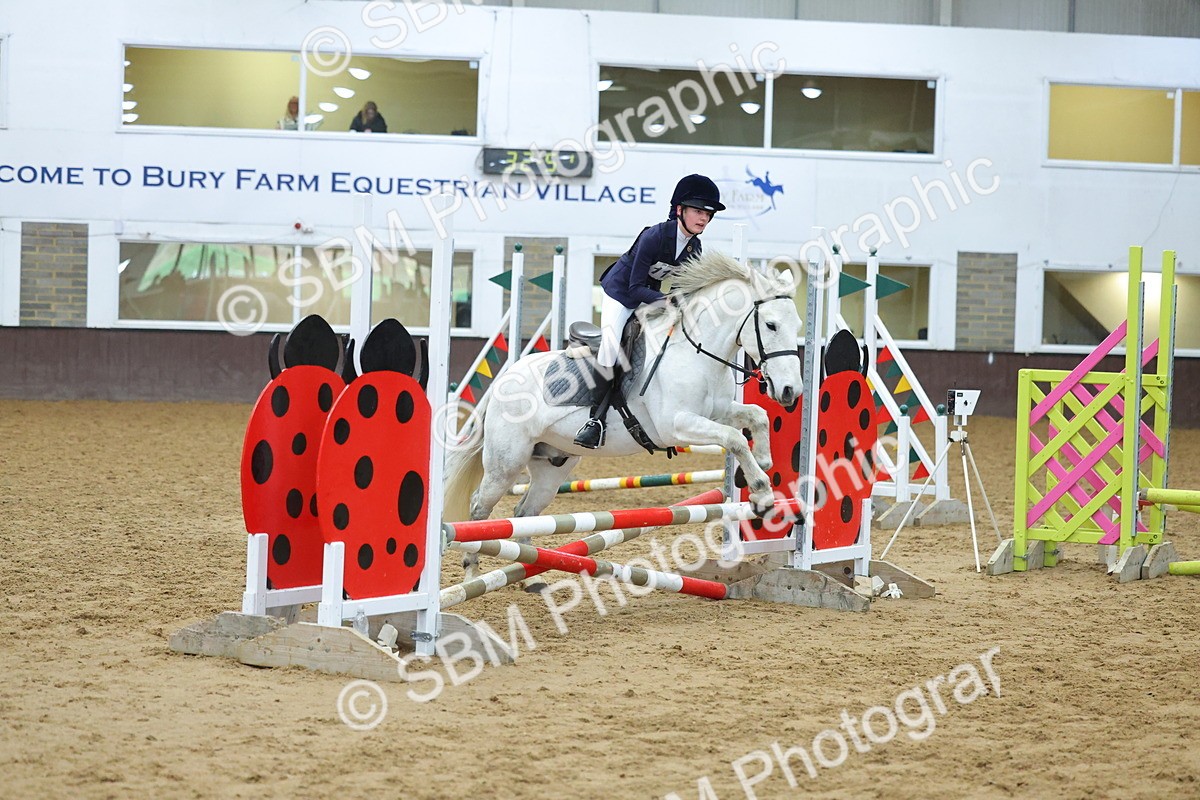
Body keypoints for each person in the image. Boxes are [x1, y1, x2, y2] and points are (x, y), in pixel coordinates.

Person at [573, 173, 725, 448]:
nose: (704, 218)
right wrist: (666, 301)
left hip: (649, 296)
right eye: (698, 211)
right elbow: (633, 288)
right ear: (680, 210)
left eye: (709, 214)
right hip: (621, 294)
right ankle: (594, 420)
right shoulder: (654, 236)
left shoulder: (694, 246)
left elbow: (683, 288)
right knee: (610, 345)